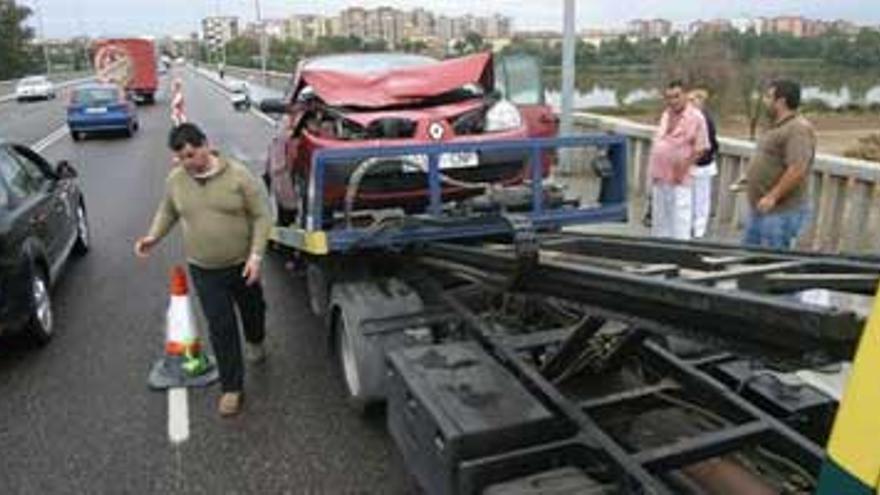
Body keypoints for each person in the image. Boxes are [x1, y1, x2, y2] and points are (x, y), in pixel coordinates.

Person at [135, 123, 272, 417]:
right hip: (204, 269)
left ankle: (256, 339)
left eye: (192, 154)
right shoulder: (176, 181)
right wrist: (153, 236)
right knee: (221, 327)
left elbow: (262, 216)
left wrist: (257, 256)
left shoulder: (237, 176)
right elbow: (168, 210)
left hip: (243, 264)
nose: (189, 162)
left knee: (253, 312)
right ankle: (232, 388)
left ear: (206, 145)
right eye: (182, 158)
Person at [742, 80, 815, 249]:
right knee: (748, 259)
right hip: (761, 208)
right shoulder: (776, 126)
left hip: (781, 212)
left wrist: (772, 196)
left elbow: (798, 169)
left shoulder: (798, 129)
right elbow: (770, 159)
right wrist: (750, 179)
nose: (765, 101)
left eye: (769, 97)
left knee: (772, 263)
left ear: (781, 102)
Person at [647, 80, 710, 240]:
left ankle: (680, 250)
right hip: (660, 175)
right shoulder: (666, 114)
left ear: (686, 96)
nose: (672, 101)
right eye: (669, 97)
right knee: (660, 217)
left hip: (679, 177)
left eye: (676, 96)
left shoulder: (696, 117)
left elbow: (701, 148)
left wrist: (684, 167)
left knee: (680, 217)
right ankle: (660, 248)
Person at [688, 89, 719, 239]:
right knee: (692, 197)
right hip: (693, 165)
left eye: (693, 100)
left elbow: (711, 144)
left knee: (701, 199)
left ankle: (699, 229)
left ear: (701, 102)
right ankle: (692, 226)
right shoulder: (691, 118)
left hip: (702, 166)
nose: (690, 103)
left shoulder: (705, 119)